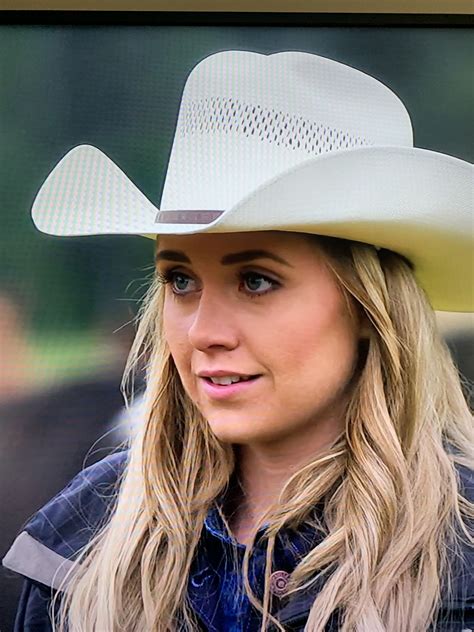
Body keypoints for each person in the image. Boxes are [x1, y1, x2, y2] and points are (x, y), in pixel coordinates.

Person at [2, 50, 473, 632]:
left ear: (367, 307)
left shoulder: (460, 553)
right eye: (180, 280)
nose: (203, 332)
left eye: (256, 281)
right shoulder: (78, 536)